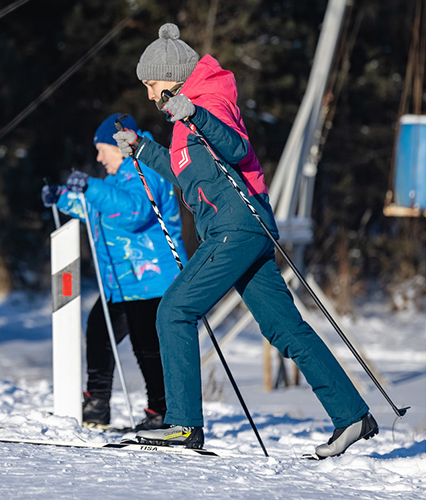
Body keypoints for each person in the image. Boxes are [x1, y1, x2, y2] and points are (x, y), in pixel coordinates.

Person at [113, 23, 377, 457]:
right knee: (283, 327)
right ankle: (351, 415)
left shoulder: (209, 99)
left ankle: (183, 425)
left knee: (175, 310)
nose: (148, 95)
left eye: (151, 84)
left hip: (237, 225)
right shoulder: (182, 119)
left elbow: (235, 148)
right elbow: (185, 172)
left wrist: (195, 114)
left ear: (173, 77)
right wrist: (142, 148)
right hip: (238, 229)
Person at [42, 113, 187, 430]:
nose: (98, 157)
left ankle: (162, 411)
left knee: (147, 346)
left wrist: (91, 187)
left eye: (101, 149)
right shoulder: (115, 182)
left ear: (118, 147)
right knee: (98, 333)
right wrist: (64, 198)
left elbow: (134, 212)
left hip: (153, 280)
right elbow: (98, 211)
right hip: (121, 283)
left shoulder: (146, 171)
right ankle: (97, 403)